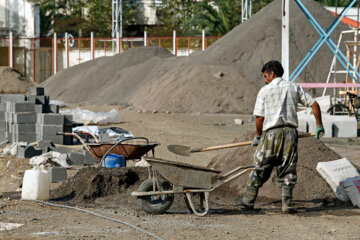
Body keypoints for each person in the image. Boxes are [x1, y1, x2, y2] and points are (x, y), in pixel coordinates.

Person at [238, 60, 324, 213]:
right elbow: (314, 104)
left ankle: (247, 201)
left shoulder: (265, 91)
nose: (265, 80)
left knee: (260, 167)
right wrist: (319, 125)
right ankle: (287, 204)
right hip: (290, 134)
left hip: (271, 134)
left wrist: (258, 136)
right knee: (288, 169)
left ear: (272, 74)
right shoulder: (294, 87)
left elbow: (259, 118)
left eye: (266, 76)